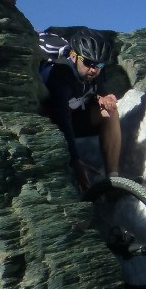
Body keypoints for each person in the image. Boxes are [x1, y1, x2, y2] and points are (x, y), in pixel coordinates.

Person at [42, 28, 121, 192]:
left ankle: (114, 180)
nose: (94, 69)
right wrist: (76, 160)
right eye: (88, 63)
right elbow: (62, 120)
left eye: (99, 64)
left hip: (72, 115)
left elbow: (99, 88)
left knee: (110, 112)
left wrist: (104, 97)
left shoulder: (95, 69)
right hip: (50, 122)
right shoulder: (59, 73)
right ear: (73, 55)